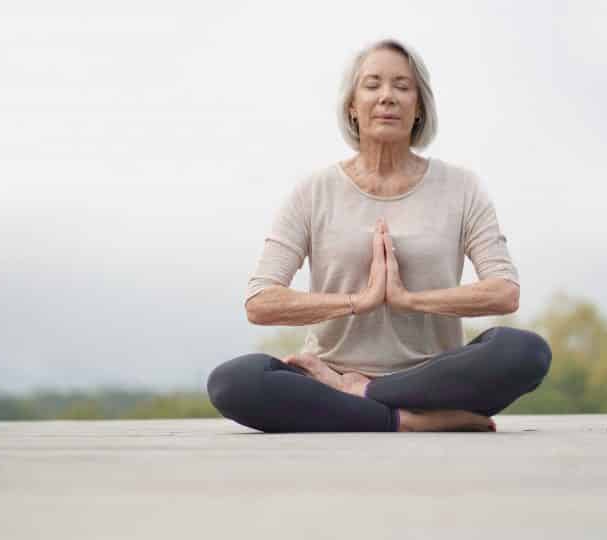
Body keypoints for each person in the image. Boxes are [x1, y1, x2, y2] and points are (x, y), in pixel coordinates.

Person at [207, 38, 551, 433]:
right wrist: (359, 301)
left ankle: (370, 398)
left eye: (402, 86)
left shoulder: (462, 187)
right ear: (352, 105)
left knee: (526, 352)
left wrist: (407, 300)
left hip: (436, 382)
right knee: (232, 382)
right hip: (327, 379)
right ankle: (405, 420)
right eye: (372, 85)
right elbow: (260, 302)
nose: (387, 96)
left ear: (419, 106)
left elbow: (504, 291)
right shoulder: (313, 191)